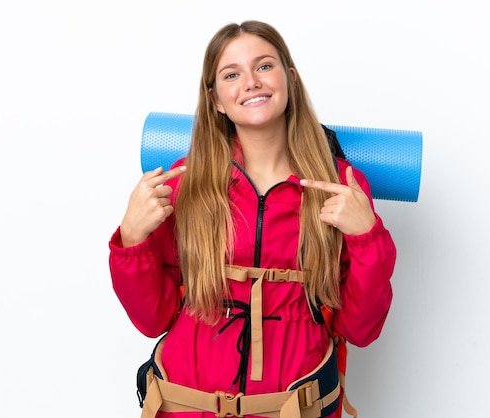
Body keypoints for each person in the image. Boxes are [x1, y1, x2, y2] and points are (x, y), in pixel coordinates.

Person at [109, 20, 396, 418]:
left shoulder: (340, 184)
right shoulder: (184, 182)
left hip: (296, 407)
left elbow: (361, 329)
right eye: (232, 74)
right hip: (185, 406)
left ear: (289, 79)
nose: (251, 82)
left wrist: (367, 238)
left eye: (264, 66)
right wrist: (132, 239)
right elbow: (151, 319)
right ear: (216, 100)